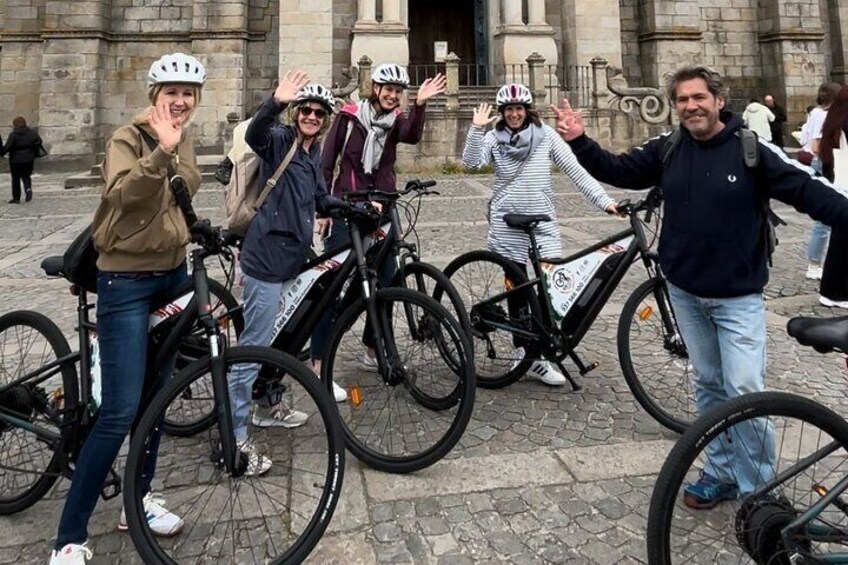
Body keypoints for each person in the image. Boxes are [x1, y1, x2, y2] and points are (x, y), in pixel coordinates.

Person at [553, 65, 848, 508]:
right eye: (682, 100)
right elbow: (619, 169)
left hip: (737, 299)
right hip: (685, 293)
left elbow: (811, 191)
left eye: (699, 98)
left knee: (746, 392)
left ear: (718, 101)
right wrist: (579, 139)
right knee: (709, 386)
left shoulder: (752, 149)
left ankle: (760, 495)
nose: (691, 106)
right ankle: (721, 472)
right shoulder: (668, 148)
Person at [49, 52, 206, 565]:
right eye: (171, 93)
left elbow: (179, 199)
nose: (180, 101)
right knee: (118, 411)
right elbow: (124, 197)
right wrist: (161, 151)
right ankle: (68, 537)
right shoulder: (126, 138)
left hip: (172, 273)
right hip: (126, 281)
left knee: (157, 398)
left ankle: (137, 500)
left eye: (188, 93)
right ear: (154, 96)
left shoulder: (186, 139)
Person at [462, 83, 618, 386]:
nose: (515, 114)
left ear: (528, 110)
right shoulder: (494, 138)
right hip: (508, 224)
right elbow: (470, 164)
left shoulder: (546, 136)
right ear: (503, 113)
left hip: (543, 223)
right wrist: (475, 130)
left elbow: (575, 170)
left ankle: (544, 349)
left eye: (519, 109)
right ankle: (527, 355)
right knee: (517, 290)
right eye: (509, 110)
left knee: (552, 290)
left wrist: (605, 201)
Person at [226, 71, 342, 475]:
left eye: (318, 112)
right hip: (266, 258)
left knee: (285, 337)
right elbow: (257, 132)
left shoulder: (312, 156)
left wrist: (351, 206)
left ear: (325, 119)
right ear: (297, 113)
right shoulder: (280, 141)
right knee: (254, 346)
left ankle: (267, 404)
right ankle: (234, 436)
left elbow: (320, 198)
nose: (312, 116)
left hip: (294, 258)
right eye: (306, 110)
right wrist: (275, 101)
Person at [310, 63, 446, 389]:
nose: (392, 95)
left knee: (385, 281)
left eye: (398, 91)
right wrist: (323, 209)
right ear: (375, 87)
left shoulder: (396, 121)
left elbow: (412, 134)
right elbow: (327, 164)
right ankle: (318, 362)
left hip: (383, 208)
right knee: (334, 285)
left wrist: (421, 104)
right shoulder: (348, 117)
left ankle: (373, 347)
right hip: (348, 208)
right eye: (388, 89)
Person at [802, 82, 841, 280]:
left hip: (831, 164)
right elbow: (816, 144)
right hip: (826, 165)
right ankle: (814, 263)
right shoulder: (821, 115)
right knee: (825, 217)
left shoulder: (819, 113)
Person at [818, 86, 848, 308]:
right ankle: (834, 292)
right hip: (845, 186)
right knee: (841, 243)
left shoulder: (835, 120)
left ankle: (833, 290)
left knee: (841, 241)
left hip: (841, 184)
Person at [1, 116, 43, 203]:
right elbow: (38, 141)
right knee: (26, 176)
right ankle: (28, 190)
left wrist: (2, 152)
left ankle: (16, 198)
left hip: (16, 160)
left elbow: (7, 147)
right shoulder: (32, 133)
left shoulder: (13, 135)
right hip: (29, 159)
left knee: (15, 178)